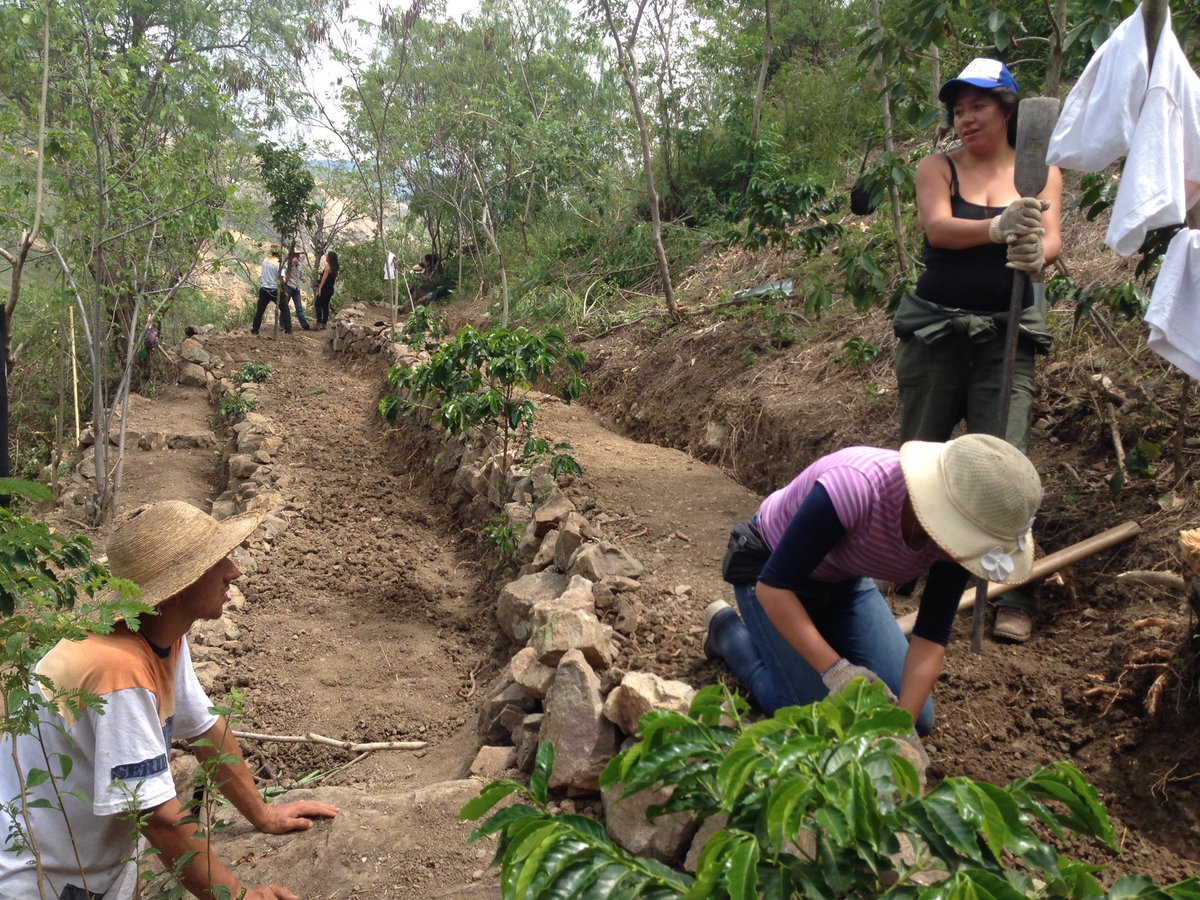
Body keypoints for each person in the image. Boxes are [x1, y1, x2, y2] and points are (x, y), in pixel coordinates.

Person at [0, 501, 339, 899]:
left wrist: (262, 814)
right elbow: (158, 817)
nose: (234, 572)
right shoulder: (117, 668)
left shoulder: (161, 637)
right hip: (43, 884)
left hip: (91, 870)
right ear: (178, 588)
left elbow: (204, 729)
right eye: (217, 563)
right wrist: (240, 896)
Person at [705, 434, 1042, 736]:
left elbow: (931, 635)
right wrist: (837, 671)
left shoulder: (958, 546)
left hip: (843, 584)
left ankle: (803, 648)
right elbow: (773, 588)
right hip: (771, 575)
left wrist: (901, 732)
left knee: (918, 717)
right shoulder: (855, 487)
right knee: (815, 721)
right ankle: (729, 634)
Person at [894, 58, 1062, 643]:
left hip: (1007, 338)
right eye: (958, 108)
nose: (965, 118)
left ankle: (1012, 593)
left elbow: (1055, 237)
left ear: (1007, 109)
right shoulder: (937, 167)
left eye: (978, 106)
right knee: (922, 452)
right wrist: (995, 230)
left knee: (1006, 462)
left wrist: (1038, 249)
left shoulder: (1041, 172)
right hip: (937, 334)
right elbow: (937, 228)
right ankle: (903, 567)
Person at [252, 245, 292, 335]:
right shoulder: (279, 263)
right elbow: (281, 279)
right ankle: (288, 330)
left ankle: (255, 329)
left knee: (260, 311)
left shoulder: (265, 260)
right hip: (274, 290)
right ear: (279, 253)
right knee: (285, 309)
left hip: (264, 289)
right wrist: (284, 291)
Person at [282, 251, 311, 331]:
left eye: (298, 255)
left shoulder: (299, 265)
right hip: (289, 287)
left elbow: (300, 275)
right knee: (284, 306)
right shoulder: (287, 264)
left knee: (299, 308)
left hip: (296, 288)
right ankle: (281, 325)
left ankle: (305, 326)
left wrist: (303, 278)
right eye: (296, 254)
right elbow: (283, 273)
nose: (297, 256)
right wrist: (292, 264)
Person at [314, 250, 339, 329]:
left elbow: (324, 278)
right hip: (330, 289)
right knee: (325, 306)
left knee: (318, 304)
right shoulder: (335, 267)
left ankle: (318, 323)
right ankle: (324, 323)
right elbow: (330, 278)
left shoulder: (328, 266)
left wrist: (320, 288)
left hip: (325, 289)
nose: (326, 257)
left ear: (330, 258)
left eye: (327, 256)